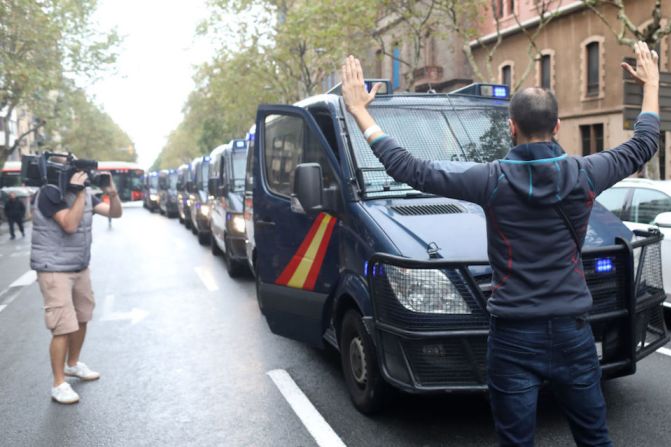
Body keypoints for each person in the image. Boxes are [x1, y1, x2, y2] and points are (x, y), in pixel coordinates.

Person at [340, 41, 660, 446]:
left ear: (511, 127)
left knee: (515, 441)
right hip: (573, 333)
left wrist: (360, 111)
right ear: (558, 127)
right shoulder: (585, 174)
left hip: (512, 337)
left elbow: (408, 168)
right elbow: (643, 142)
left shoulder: (489, 180)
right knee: (594, 438)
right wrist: (650, 84)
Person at [31, 166, 123, 404]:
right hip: (54, 269)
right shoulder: (49, 193)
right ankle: (58, 384)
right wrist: (79, 193)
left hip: (79, 266)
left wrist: (112, 193)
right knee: (62, 326)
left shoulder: (87, 195)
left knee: (82, 317)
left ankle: (73, 364)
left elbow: (115, 213)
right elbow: (69, 224)